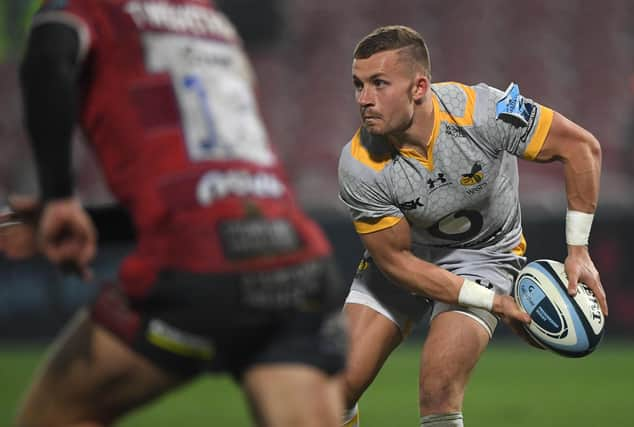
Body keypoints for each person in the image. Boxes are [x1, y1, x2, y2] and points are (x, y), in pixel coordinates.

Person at [3, 1, 348, 426]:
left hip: (197, 266)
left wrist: (58, 196)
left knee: (54, 413)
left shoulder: (92, 9)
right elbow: (207, 192)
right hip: (296, 258)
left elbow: (46, 57)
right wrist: (86, 222)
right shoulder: (213, 23)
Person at [337, 25, 608, 427]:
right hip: (409, 255)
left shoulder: (482, 112)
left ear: (419, 87)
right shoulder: (359, 164)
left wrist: (579, 250)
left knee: (438, 390)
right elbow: (396, 263)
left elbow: (580, 147)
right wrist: (495, 302)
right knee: (332, 391)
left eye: (379, 83)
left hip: (486, 254)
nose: (364, 99)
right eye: (358, 85)